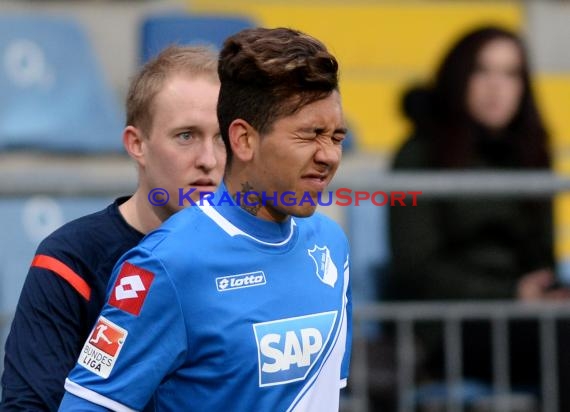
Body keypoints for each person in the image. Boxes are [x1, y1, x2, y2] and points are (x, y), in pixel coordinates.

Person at [59, 27, 352, 412]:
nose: (328, 155)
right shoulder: (164, 266)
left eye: (336, 137)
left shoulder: (331, 244)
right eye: (309, 135)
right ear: (244, 140)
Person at [1, 46, 225, 411]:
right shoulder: (70, 260)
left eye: (221, 138)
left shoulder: (252, 249)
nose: (208, 160)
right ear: (137, 144)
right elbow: (28, 406)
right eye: (186, 135)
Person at [386, 25, 570, 406]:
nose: (496, 87)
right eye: (482, 71)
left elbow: (542, 256)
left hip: (525, 317)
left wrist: (546, 290)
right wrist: (511, 294)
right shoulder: (419, 154)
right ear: (459, 78)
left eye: (510, 73)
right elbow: (415, 267)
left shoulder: (532, 153)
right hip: (447, 327)